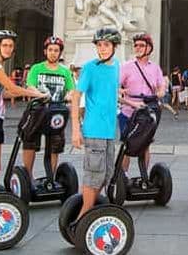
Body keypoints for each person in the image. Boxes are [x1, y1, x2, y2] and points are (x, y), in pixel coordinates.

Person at [0, 30, 47, 206]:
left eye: (11, 46)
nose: (8, 48)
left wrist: (29, 94)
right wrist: (35, 94)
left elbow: (3, 93)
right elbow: (12, 88)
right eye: (5, 45)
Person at [70, 27, 121, 220]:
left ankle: (88, 215)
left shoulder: (116, 66)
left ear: (114, 46)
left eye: (106, 45)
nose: (102, 49)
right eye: (99, 45)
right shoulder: (90, 68)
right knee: (93, 177)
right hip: (94, 130)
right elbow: (76, 96)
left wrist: (134, 103)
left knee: (106, 175)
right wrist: (76, 129)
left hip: (109, 131)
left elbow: (111, 95)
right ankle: (82, 220)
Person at [22, 35, 75, 178]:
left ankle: (50, 177)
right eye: (50, 50)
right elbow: (30, 86)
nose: (53, 53)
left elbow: (71, 89)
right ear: (45, 51)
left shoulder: (64, 71)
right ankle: (27, 176)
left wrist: (69, 95)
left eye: (56, 50)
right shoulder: (36, 68)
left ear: (60, 52)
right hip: (38, 110)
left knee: (54, 146)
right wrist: (39, 94)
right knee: (30, 142)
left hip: (56, 112)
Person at [118, 33, 165, 177]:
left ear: (149, 48)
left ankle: (144, 177)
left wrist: (159, 93)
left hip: (147, 112)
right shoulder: (126, 66)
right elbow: (115, 87)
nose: (137, 48)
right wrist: (121, 90)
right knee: (128, 145)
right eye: (136, 45)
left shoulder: (155, 68)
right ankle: (123, 176)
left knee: (145, 145)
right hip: (128, 112)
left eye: (141, 45)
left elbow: (161, 87)